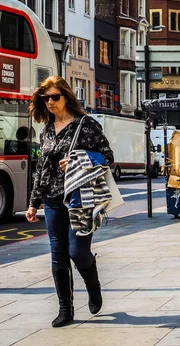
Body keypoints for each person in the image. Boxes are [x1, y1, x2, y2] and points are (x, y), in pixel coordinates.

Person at [25, 76, 114, 328]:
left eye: (55, 97)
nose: (50, 102)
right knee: (58, 255)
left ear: (66, 97)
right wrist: (34, 203)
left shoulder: (86, 125)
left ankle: (93, 286)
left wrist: (79, 157)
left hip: (80, 196)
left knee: (77, 251)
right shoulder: (47, 130)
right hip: (53, 199)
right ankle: (66, 309)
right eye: (46, 98)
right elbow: (42, 169)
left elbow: (108, 157)